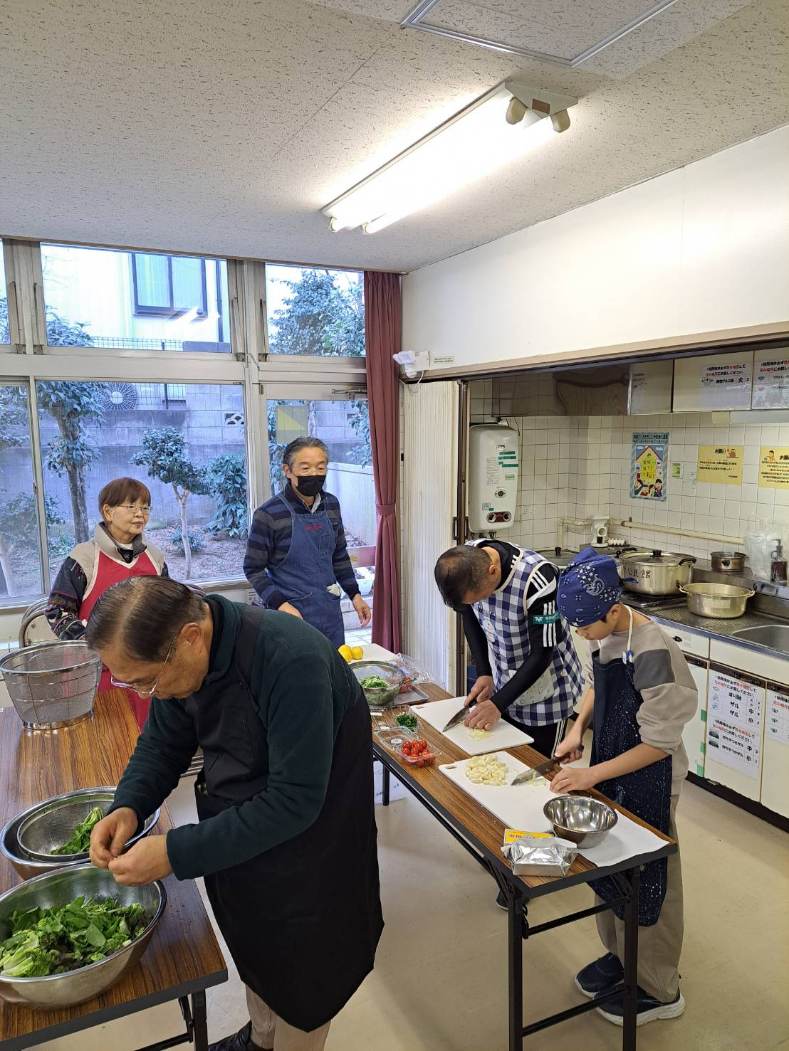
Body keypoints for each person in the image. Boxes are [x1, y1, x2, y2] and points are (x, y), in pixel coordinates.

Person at [86, 576, 383, 1051]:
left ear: (191, 636)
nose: (145, 694)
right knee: (256, 947)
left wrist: (174, 852)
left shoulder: (291, 659)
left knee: (305, 978)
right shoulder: (178, 660)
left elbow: (294, 801)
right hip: (241, 833)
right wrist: (129, 804)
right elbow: (162, 743)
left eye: (146, 681)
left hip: (313, 849)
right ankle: (260, 1039)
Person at [553, 547, 697, 1027]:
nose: (581, 635)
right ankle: (621, 956)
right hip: (612, 766)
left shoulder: (653, 649)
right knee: (610, 863)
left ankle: (658, 985)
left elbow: (658, 743)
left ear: (614, 610)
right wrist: (577, 728)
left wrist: (591, 775)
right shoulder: (608, 631)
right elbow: (598, 684)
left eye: (585, 627)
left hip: (651, 777)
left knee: (652, 878)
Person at [434, 540, 583, 757]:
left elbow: (543, 653)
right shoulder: (468, 561)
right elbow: (469, 617)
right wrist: (484, 672)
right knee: (507, 759)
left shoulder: (538, 580)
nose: (479, 603)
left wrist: (497, 704)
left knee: (538, 765)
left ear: (493, 571)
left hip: (548, 688)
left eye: (480, 598)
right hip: (506, 682)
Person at [45, 477, 167, 728]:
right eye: (131, 506)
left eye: (145, 507)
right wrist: (95, 647)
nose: (140, 514)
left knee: (146, 739)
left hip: (144, 674)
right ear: (108, 512)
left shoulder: (155, 557)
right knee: (102, 741)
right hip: (94, 675)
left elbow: (169, 611)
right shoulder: (83, 558)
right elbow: (57, 611)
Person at [244, 436, 371, 649]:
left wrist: (355, 595)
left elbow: (339, 555)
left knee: (333, 665)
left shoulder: (331, 505)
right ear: (287, 470)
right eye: (305, 468)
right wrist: (281, 604)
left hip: (329, 613)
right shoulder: (268, 514)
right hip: (290, 618)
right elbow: (253, 568)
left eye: (320, 467)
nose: (314, 474)